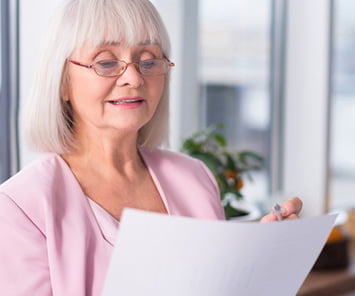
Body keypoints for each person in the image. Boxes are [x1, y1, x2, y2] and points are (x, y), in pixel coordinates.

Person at [0, 0, 302, 295]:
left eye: (148, 61)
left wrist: (259, 261)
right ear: (62, 82)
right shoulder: (20, 207)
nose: (133, 78)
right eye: (106, 62)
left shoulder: (194, 177)